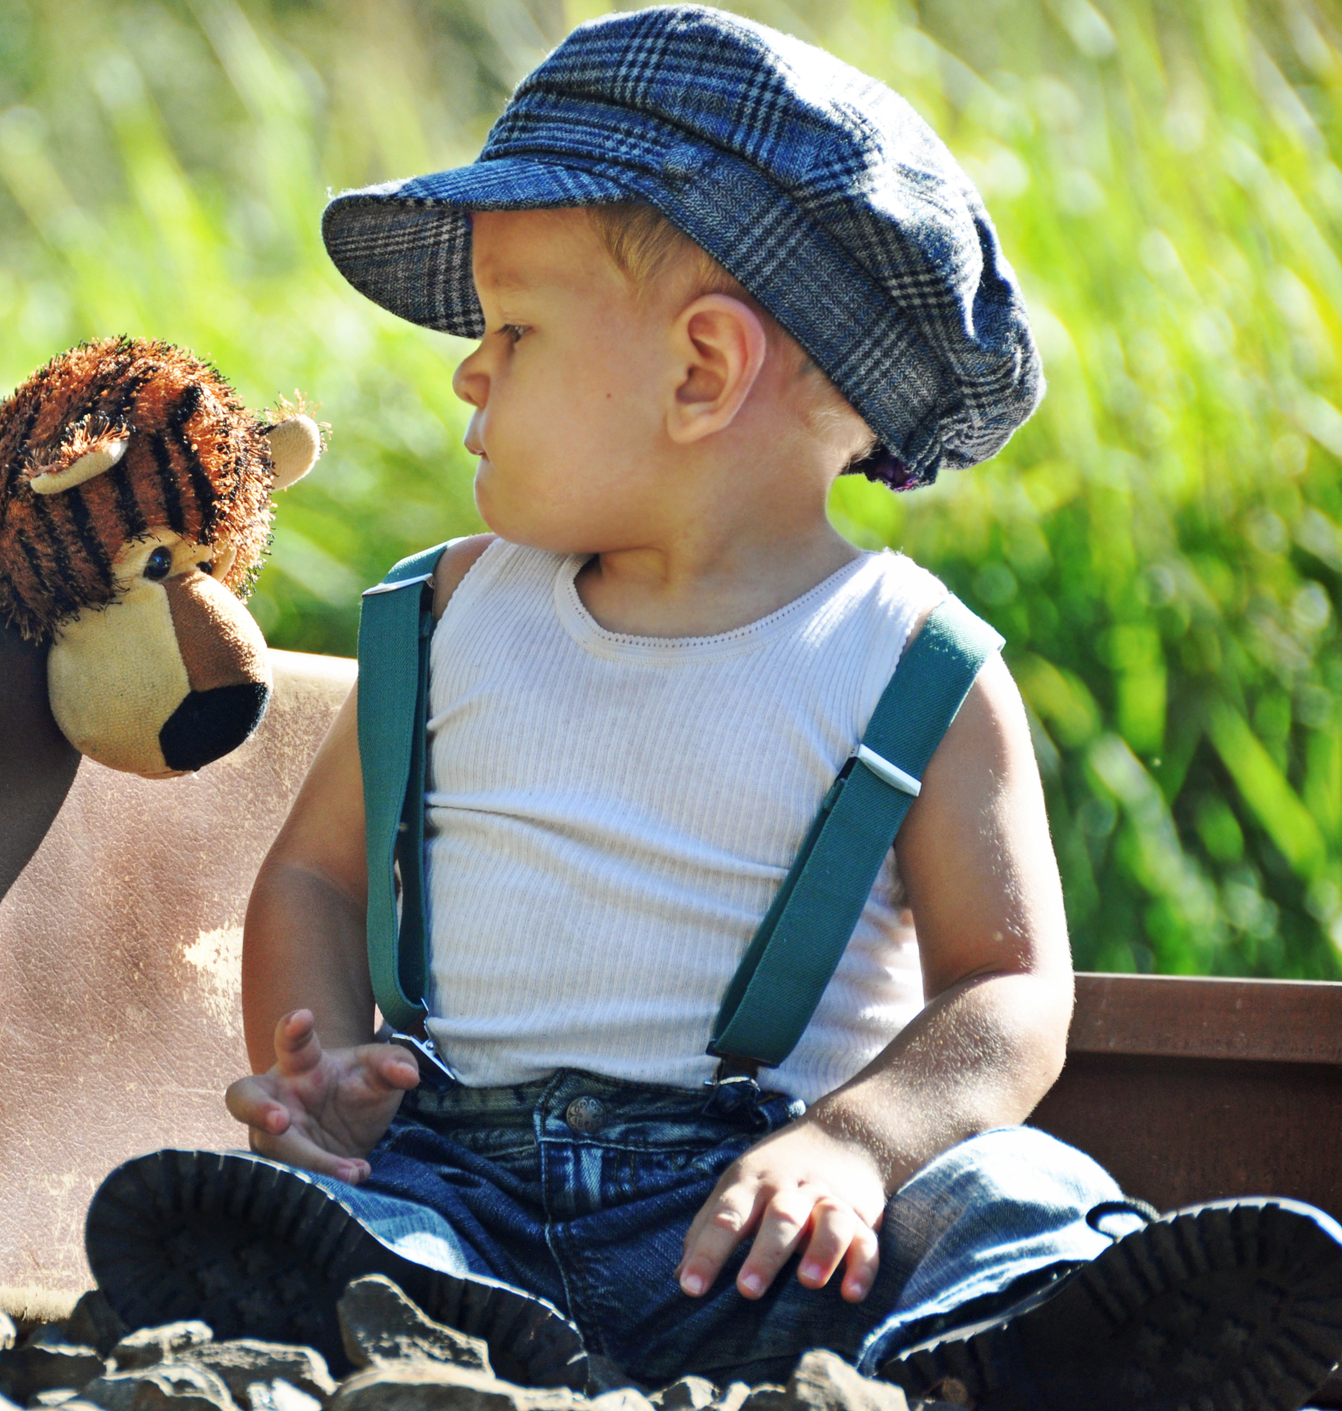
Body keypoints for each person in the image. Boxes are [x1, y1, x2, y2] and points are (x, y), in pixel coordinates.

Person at [83, 8, 1342, 1408]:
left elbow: (1010, 990)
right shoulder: (442, 622)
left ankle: (1032, 1333)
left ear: (702, 370)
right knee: (276, 1207)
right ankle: (441, 1327)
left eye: (513, 329)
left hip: (770, 1229)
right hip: (465, 1192)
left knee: (1014, 1189)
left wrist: (861, 1146)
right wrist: (318, 1080)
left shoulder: (912, 666)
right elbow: (316, 877)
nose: (467, 371)